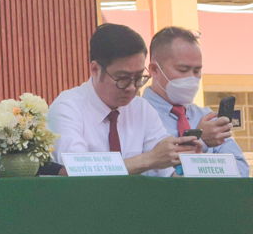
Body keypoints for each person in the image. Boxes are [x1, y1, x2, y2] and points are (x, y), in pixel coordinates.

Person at [48, 23, 198, 176]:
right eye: (123, 78)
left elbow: (167, 173)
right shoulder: (67, 108)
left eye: (138, 78)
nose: (132, 88)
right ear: (95, 69)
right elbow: (78, 171)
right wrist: (149, 159)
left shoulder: (142, 109)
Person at [144, 26, 248, 177]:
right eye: (183, 70)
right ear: (154, 70)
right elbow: (149, 174)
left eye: (197, 71)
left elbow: (241, 170)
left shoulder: (207, 117)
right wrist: (201, 143)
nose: (192, 78)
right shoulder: (134, 115)